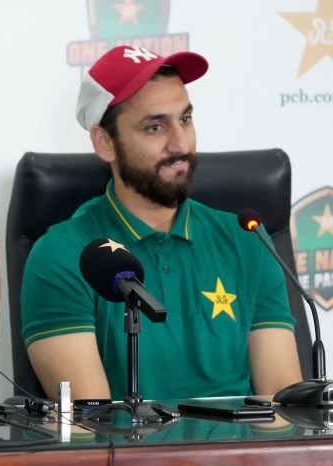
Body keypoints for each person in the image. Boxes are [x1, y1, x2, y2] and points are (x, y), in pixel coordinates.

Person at [21, 45, 302, 402]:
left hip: (240, 455)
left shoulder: (248, 238)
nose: (180, 143)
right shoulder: (61, 255)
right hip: (127, 456)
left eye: (185, 119)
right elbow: (89, 429)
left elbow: (284, 409)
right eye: (155, 127)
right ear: (105, 142)